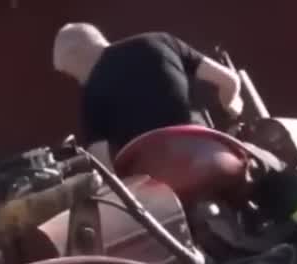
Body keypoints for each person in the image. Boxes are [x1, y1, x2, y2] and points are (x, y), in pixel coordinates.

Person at [52, 23, 244, 168]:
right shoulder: (161, 40)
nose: (77, 79)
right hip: (208, 154)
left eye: (72, 71)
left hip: (154, 178)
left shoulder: (90, 91)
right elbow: (229, 80)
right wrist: (231, 108)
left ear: (77, 53)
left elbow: (101, 157)